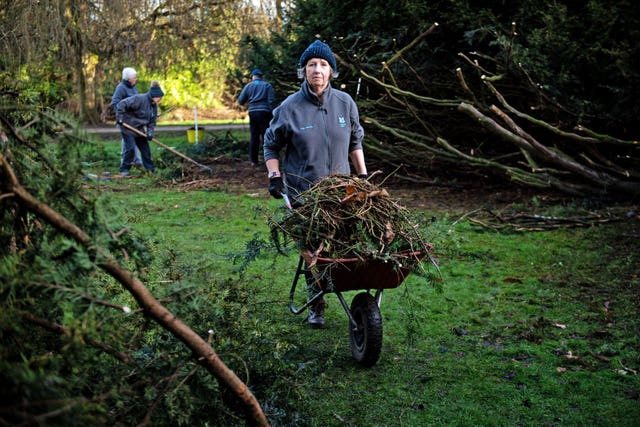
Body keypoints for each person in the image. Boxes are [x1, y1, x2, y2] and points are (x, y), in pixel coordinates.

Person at [263, 40, 368, 328]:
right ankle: (317, 302)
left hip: (342, 194)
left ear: (331, 71)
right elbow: (271, 146)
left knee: (348, 246)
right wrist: (275, 177)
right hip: (305, 193)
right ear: (304, 71)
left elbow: (355, 141)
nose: (317, 70)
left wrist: (363, 177)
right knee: (314, 250)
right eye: (311, 65)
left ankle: (356, 299)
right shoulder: (289, 108)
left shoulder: (345, 103)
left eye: (323, 65)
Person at [115, 80, 164, 176]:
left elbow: (152, 122)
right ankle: (124, 170)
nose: (160, 99)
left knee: (145, 149)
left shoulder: (153, 106)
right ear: (154, 96)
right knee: (131, 149)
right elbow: (121, 104)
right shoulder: (139, 99)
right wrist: (120, 117)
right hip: (128, 128)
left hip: (139, 130)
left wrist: (150, 133)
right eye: (159, 97)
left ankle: (150, 169)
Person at [237, 68, 276, 166]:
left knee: (254, 136)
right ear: (261, 76)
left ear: (253, 76)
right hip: (264, 113)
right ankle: (268, 159)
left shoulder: (248, 86)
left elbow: (241, 100)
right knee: (265, 136)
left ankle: (253, 161)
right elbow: (271, 101)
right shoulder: (267, 85)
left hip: (253, 113)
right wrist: (272, 114)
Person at [111, 67, 143, 168]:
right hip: (125, 121)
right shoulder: (121, 88)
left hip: (134, 120)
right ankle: (127, 163)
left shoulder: (133, 87)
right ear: (128, 79)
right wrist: (122, 115)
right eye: (134, 77)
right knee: (129, 142)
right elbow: (115, 102)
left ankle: (135, 160)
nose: (136, 79)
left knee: (131, 140)